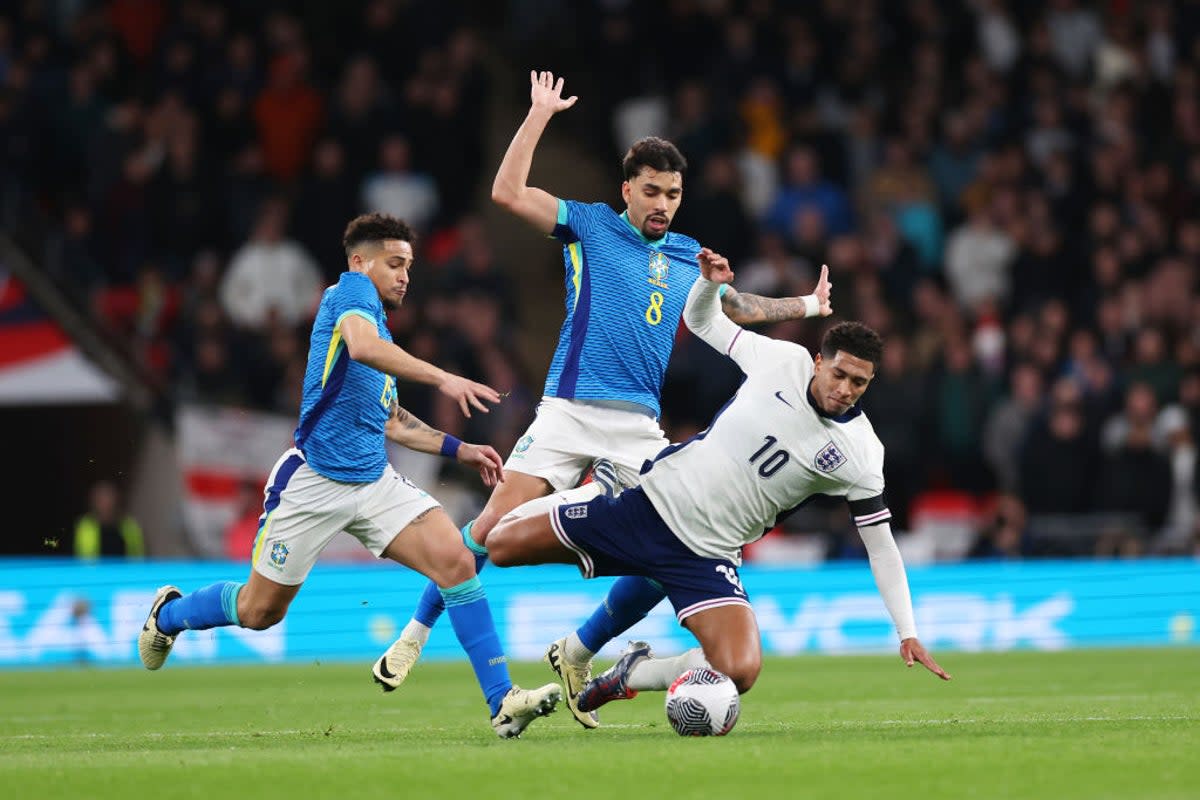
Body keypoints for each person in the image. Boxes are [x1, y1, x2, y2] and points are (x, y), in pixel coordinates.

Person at [378, 71, 829, 728]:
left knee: (672, 544)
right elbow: (506, 193)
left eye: (673, 193)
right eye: (651, 191)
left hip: (639, 429)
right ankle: (415, 634)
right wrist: (537, 115)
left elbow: (737, 307)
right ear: (627, 189)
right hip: (567, 413)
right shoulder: (588, 226)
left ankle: (580, 649)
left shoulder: (685, 256)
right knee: (489, 527)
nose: (663, 204)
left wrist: (808, 305)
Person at [138, 213, 561, 738]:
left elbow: (392, 419)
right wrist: (444, 377)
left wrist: (461, 448)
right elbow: (361, 347)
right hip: (313, 482)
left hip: (373, 482)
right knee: (258, 611)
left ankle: (503, 701)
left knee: (456, 561)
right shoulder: (348, 296)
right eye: (395, 263)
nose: (405, 275)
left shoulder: (379, 327)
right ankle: (171, 615)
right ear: (361, 263)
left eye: (409, 265)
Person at [484, 252, 950, 717]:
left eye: (859, 383)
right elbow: (702, 321)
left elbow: (882, 546)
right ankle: (598, 490)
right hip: (653, 504)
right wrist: (707, 285)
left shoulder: (862, 453)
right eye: (839, 374)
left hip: (709, 553)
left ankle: (633, 672)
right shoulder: (780, 361)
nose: (846, 389)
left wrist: (905, 630)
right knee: (501, 545)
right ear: (817, 362)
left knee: (741, 670)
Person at [73, 480, 145, 559]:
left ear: (117, 500)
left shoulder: (129, 526)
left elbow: (138, 556)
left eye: (109, 497)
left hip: (124, 570)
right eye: (101, 499)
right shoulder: (86, 526)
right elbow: (83, 558)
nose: (106, 504)